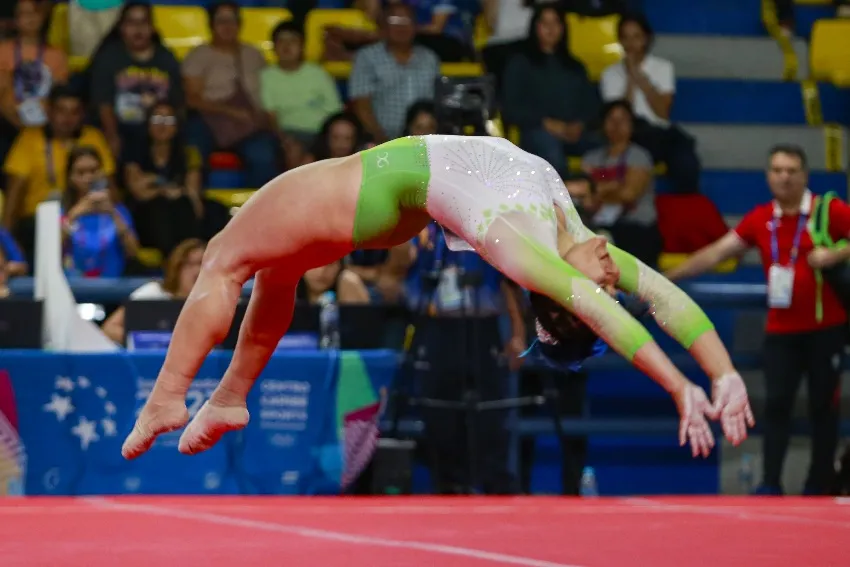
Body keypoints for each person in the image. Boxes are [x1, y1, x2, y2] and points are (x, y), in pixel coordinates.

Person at [122, 134, 754, 462]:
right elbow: (667, 297)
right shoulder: (580, 239)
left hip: (373, 185)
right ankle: (229, 398)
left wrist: (677, 388)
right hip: (391, 193)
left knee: (225, 259)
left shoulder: (527, 251)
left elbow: (605, 312)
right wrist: (719, 375)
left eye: (603, 286)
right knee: (278, 272)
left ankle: (167, 396)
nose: (616, 275)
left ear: (570, 302)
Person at [666, 144, 849, 495]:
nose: (784, 177)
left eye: (792, 170)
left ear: (804, 175)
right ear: (767, 176)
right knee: (776, 406)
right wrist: (666, 278)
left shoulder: (828, 211)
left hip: (826, 330)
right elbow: (717, 252)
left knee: (823, 409)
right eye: (777, 170)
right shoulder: (761, 218)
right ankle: (770, 483)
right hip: (781, 331)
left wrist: (835, 253)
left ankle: (820, 486)